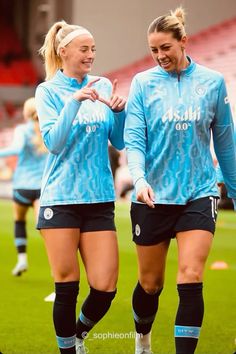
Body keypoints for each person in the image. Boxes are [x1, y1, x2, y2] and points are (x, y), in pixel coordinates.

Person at [124, 7, 236, 354]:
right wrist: (139, 179)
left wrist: (234, 189)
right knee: (150, 284)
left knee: (190, 276)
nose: (160, 56)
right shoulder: (142, 83)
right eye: (154, 50)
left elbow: (226, 143)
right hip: (152, 197)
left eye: (166, 48)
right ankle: (142, 337)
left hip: (198, 194)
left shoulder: (213, 83)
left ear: (184, 42)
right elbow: (135, 140)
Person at [35, 20, 126, 354]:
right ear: (64, 52)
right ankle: (68, 351)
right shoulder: (47, 92)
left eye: (93, 50)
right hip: (60, 199)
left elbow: (117, 139)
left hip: (99, 199)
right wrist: (73, 101)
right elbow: (55, 143)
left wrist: (120, 112)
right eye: (84, 49)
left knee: (105, 287)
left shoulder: (101, 84)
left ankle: (78, 335)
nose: (91, 55)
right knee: (67, 287)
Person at [0, 97, 47, 276]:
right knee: (47, 230)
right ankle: (58, 267)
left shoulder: (22, 129)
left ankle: (21, 260)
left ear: (26, 114)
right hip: (43, 188)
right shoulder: (48, 129)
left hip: (22, 186)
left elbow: (17, 148)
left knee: (19, 221)